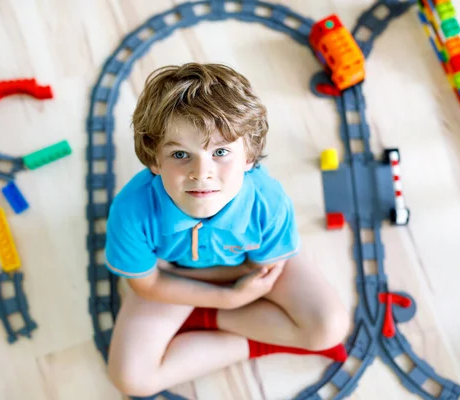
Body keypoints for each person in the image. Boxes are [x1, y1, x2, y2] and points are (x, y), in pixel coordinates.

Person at [104, 62, 351, 397]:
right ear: (154, 160)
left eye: (220, 152)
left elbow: (261, 267)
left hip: (238, 270)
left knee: (330, 327)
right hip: (175, 278)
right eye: (180, 154)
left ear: (249, 157)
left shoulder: (268, 201)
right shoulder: (131, 211)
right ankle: (230, 321)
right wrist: (229, 298)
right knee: (130, 379)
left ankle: (204, 320)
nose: (201, 173)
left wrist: (228, 295)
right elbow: (146, 284)